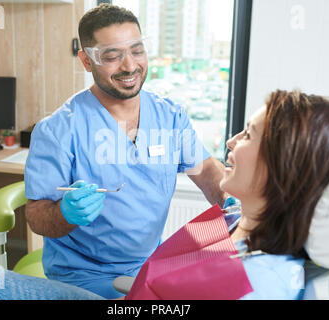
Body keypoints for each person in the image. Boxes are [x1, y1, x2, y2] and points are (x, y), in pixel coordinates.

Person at [0, 89, 329, 300]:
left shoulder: (258, 281)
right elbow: (168, 276)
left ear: (282, 169)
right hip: (124, 287)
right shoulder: (238, 223)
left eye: (248, 135)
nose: (231, 141)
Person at [23, 4, 226, 299]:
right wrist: (66, 213)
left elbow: (206, 170)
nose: (129, 66)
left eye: (137, 50)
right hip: (82, 276)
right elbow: (37, 215)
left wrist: (230, 197)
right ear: (86, 60)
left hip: (149, 265)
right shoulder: (57, 130)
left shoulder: (170, 116)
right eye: (112, 56)